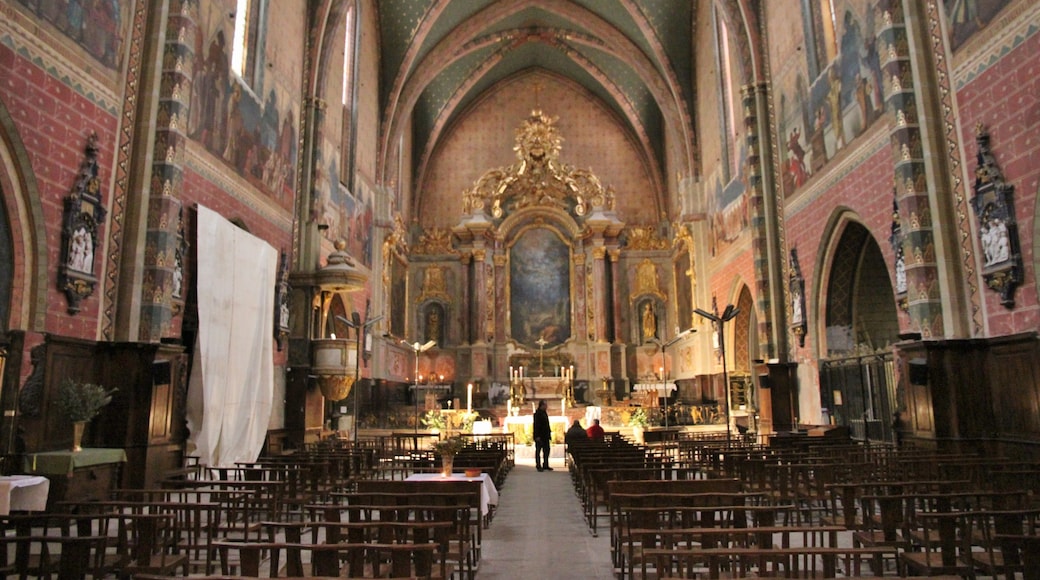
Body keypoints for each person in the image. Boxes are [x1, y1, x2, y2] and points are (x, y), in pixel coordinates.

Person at [533, 401, 552, 471]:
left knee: (546, 450)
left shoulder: (544, 413)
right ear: (542, 405)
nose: (546, 406)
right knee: (538, 451)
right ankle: (538, 465)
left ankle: (545, 464)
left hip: (545, 435)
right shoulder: (537, 414)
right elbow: (536, 426)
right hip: (540, 436)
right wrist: (537, 436)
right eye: (545, 405)